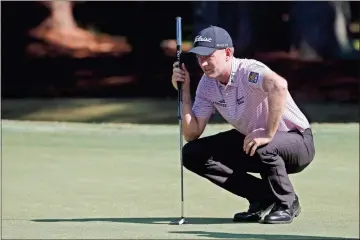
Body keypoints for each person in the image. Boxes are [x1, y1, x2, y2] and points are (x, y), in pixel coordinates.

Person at [171, 26, 315, 224]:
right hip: (256, 143)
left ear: (228, 53)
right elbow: (192, 133)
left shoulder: (248, 71)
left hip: (298, 143)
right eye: (199, 57)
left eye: (208, 56)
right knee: (192, 153)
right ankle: (262, 197)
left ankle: (287, 203)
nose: (203, 63)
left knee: (263, 145)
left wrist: (267, 132)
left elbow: (279, 86)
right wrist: (184, 92)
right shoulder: (207, 84)